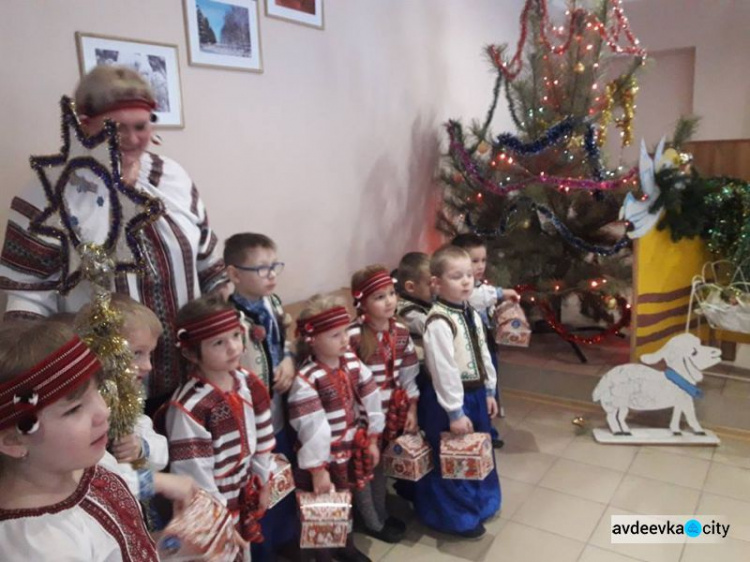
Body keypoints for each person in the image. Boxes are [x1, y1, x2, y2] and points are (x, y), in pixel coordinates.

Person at [0, 64, 227, 410]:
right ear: (84, 124)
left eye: (141, 126)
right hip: (102, 393)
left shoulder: (173, 178)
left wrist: (224, 340)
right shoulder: (46, 196)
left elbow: (209, 264)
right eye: (116, 128)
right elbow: (25, 305)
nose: (133, 139)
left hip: (192, 382)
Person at [0, 320, 159, 561]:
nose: (104, 411)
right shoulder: (43, 548)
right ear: (13, 440)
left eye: (97, 390)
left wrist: (170, 545)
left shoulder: (83, 463)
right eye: (74, 409)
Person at [164, 295, 275, 548]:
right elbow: (195, 478)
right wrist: (220, 522)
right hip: (212, 507)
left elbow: (264, 436)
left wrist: (263, 479)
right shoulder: (190, 407)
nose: (234, 348)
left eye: (236, 336)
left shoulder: (247, 381)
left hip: (245, 491)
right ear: (192, 353)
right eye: (218, 343)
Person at [414, 245, 501, 539]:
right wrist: (454, 410)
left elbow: (483, 353)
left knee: (477, 450)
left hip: (476, 395)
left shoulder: (471, 313)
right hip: (449, 401)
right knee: (452, 458)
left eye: (468, 275)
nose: (466, 281)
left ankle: (481, 501)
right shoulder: (439, 321)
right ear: (437, 283)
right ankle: (456, 515)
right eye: (456, 276)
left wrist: (490, 390)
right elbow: (443, 370)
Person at [288, 295, 384, 562]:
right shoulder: (308, 378)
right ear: (313, 340)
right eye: (334, 335)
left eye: (344, 333)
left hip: (349, 451)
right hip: (323, 460)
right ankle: (323, 554)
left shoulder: (351, 363)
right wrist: (318, 470)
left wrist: (373, 437)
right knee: (322, 507)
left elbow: (371, 396)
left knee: (345, 500)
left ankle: (346, 545)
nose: (344, 340)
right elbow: (312, 427)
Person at [224, 233, 298, 561]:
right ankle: (263, 548)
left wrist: (288, 360)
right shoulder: (229, 319)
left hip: (278, 409)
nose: (271, 275)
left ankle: (287, 540)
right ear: (235, 274)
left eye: (274, 267)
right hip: (249, 419)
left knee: (281, 473)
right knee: (258, 484)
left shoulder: (275, 303)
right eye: (261, 269)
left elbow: (286, 340)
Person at [87, 294, 195, 516]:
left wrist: (141, 446)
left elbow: (161, 451)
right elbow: (96, 481)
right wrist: (154, 481)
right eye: (136, 353)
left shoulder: (128, 399)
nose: (147, 366)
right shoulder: (89, 413)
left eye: (150, 354)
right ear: (105, 350)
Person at [347, 265, 420, 543]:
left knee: (378, 469)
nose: (389, 301)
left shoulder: (400, 332)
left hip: (390, 414)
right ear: (362, 302)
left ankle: (381, 512)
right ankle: (372, 521)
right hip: (362, 421)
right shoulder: (353, 337)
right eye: (379, 297)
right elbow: (348, 385)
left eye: (391, 293)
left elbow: (408, 374)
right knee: (365, 470)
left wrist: (411, 408)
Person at [452, 233, 520, 446]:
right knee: (477, 389)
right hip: (469, 349)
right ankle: (479, 430)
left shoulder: (478, 284)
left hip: (484, 343)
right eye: (474, 261)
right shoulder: (465, 289)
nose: (480, 266)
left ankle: (487, 428)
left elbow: (485, 294)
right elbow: (480, 296)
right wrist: (503, 292)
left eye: (483, 260)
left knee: (490, 382)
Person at [394, 252, 433, 358]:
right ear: (411, 287)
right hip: (419, 369)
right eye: (430, 283)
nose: (435, 287)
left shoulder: (426, 301)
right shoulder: (408, 312)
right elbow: (434, 329)